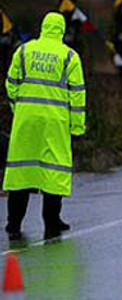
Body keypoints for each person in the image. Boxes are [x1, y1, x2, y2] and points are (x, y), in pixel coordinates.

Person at [4, 12, 86, 240]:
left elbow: (11, 84)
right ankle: (51, 221)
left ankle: (13, 224)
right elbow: (77, 96)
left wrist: (18, 107)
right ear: (60, 30)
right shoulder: (70, 57)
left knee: (21, 171)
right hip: (55, 122)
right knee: (54, 170)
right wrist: (77, 128)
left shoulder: (23, 51)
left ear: (42, 27)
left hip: (26, 120)